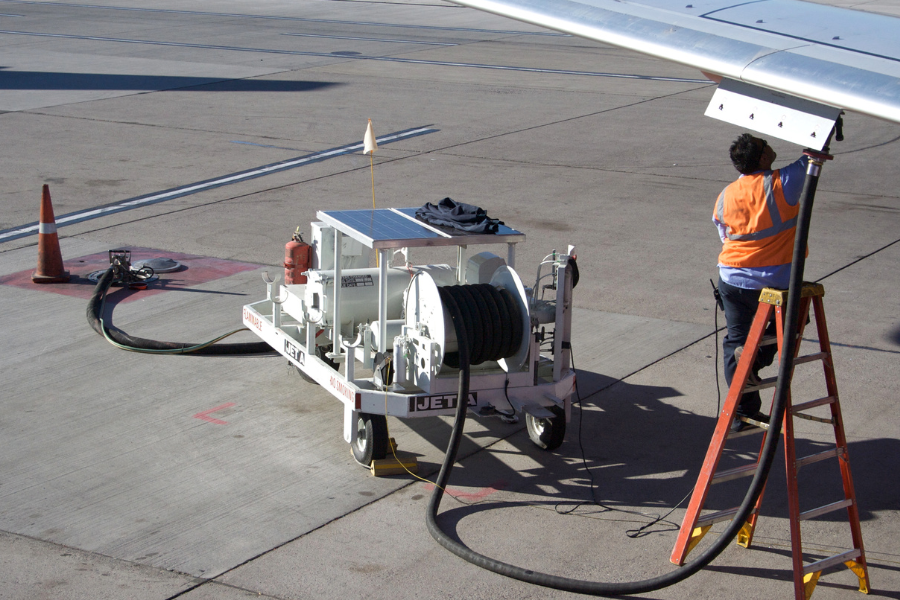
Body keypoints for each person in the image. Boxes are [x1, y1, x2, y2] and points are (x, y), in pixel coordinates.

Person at [713, 134, 809, 431]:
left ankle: (744, 413)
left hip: (732, 277)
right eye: (765, 144)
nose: (770, 145)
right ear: (764, 158)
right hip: (774, 281)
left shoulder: (726, 194)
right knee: (794, 321)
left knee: (735, 341)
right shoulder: (781, 183)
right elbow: (813, 158)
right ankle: (754, 360)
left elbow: (724, 233)